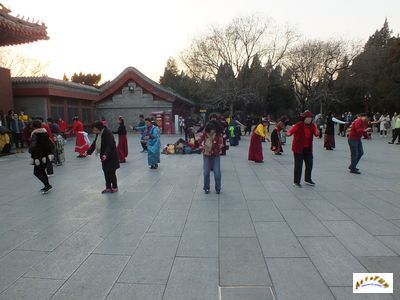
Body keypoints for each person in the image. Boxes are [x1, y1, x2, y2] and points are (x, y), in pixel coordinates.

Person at [286, 110, 320, 187]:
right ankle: (296, 181)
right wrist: (288, 133)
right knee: (298, 165)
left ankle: (308, 179)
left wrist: (318, 133)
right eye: (308, 118)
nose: (309, 119)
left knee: (309, 164)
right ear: (304, 118)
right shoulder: (298, 125)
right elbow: (291, 131)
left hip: (308, 148)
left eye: (311, 118)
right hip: (298, 148)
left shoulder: (312, 126)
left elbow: (316, 133)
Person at [86, 121, 120, 193]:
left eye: (95, 129)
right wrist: (88, 152)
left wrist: (105, 154)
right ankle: (108, 187)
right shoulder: (99, 134)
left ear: (100, 128)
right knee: (106, 171)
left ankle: (114, 187)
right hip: (104, 155)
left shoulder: (108, 133)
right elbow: (95, 143)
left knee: (111, 172)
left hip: (111, 155)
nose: (94, 131)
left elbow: (109, 145)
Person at [29, 119, 54, 194]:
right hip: (46, 155)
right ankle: (47, 185)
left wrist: (30, 150)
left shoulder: (35, 134)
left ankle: (47, 185)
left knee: (36, 172)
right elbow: (50, 143)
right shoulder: (44, 132)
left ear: (34, 126)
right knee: (42, 171)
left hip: (38, 156)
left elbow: (34, 145)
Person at [198, 120, 224, 194]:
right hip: (206, 155)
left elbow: (221, 145)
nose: (211, 133)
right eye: (209, 132)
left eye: (212, 132)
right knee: (206, 172)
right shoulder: (204, 134)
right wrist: (204, 147)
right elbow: (199, 143)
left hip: (216, 155)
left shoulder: (218, 135)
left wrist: (215, 147)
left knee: (217, 172)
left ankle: (218, 188)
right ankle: (206, 187)